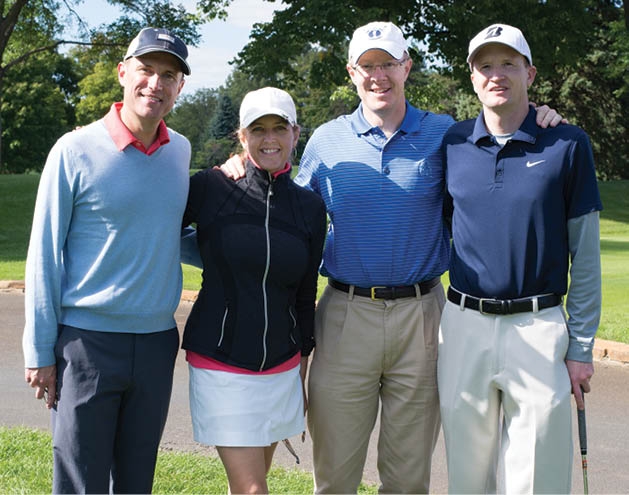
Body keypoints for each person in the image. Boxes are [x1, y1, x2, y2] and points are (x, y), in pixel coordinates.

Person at [219, 21, 563, 494]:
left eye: (387, 64)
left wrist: (538, 116)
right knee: (335, 475)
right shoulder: (326, 140)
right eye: (367, 66)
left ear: (407, 67)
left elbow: (502, 132)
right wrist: (244, 166)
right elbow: (284, 215)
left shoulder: (448, 135)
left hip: (423, 317)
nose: (378, 75)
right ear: (351, 73)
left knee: (407, 479)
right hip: (345, 316)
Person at [22, 27, 191, 494]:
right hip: (87, 347)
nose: (155, 83)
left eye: (168, 75)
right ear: (123, 73)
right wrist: (39, 351)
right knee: (82, 482)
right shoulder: (73, 150)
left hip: (157, 343)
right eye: (146, 70)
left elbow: (173, 233)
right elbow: (44, 253)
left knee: (136, 482)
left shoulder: (181, 152)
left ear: (180, 87)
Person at [438, 24, 602, 493]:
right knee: (466, 479)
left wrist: (582, 346)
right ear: (472, 78)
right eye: (485, 66)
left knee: (538, 480)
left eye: (508, 64)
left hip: (539, 327)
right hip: (463, 325)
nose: (497, 75)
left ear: (529, 73)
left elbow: (585, 257)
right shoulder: (450, 144)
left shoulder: (568, 143)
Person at [181, 87, 327, 494]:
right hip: (221, 359)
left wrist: (302, 358)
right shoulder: (211, 187)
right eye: (257, 129)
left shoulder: (309, 208)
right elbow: (157, 226)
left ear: (295, 134)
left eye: (279, 128)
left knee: (249, 486)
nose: (269, 139)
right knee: (252, 490)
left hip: (281, 366)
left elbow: (305, 289)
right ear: (241, 137)